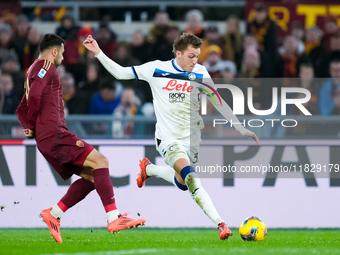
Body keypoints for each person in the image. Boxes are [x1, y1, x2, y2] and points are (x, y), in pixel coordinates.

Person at [84, 33, 259, 240]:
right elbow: (121, 73)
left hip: (192, 139)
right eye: (192, 56)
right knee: (192, 178)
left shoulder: (201, 73)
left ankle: (148, 169)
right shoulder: (156, 69)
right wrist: (98, 52)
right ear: (178, 53)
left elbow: (217, 100)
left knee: (182, 183)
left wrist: (240, 128)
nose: (196, 61)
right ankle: (221, 224)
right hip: (168, 139)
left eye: (198, 56)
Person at [15, 34, 145, 244]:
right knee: (101, 161)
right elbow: (36, 96)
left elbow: (21, 107)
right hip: (55, 134)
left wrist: (29, 126)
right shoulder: (45, 65)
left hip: (48, 137)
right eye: (63, 53)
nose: (63, 58)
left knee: (94, 176)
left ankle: (54, 214)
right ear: (54, 50)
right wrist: (32, 125)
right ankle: (114, 218)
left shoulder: (31, 70)